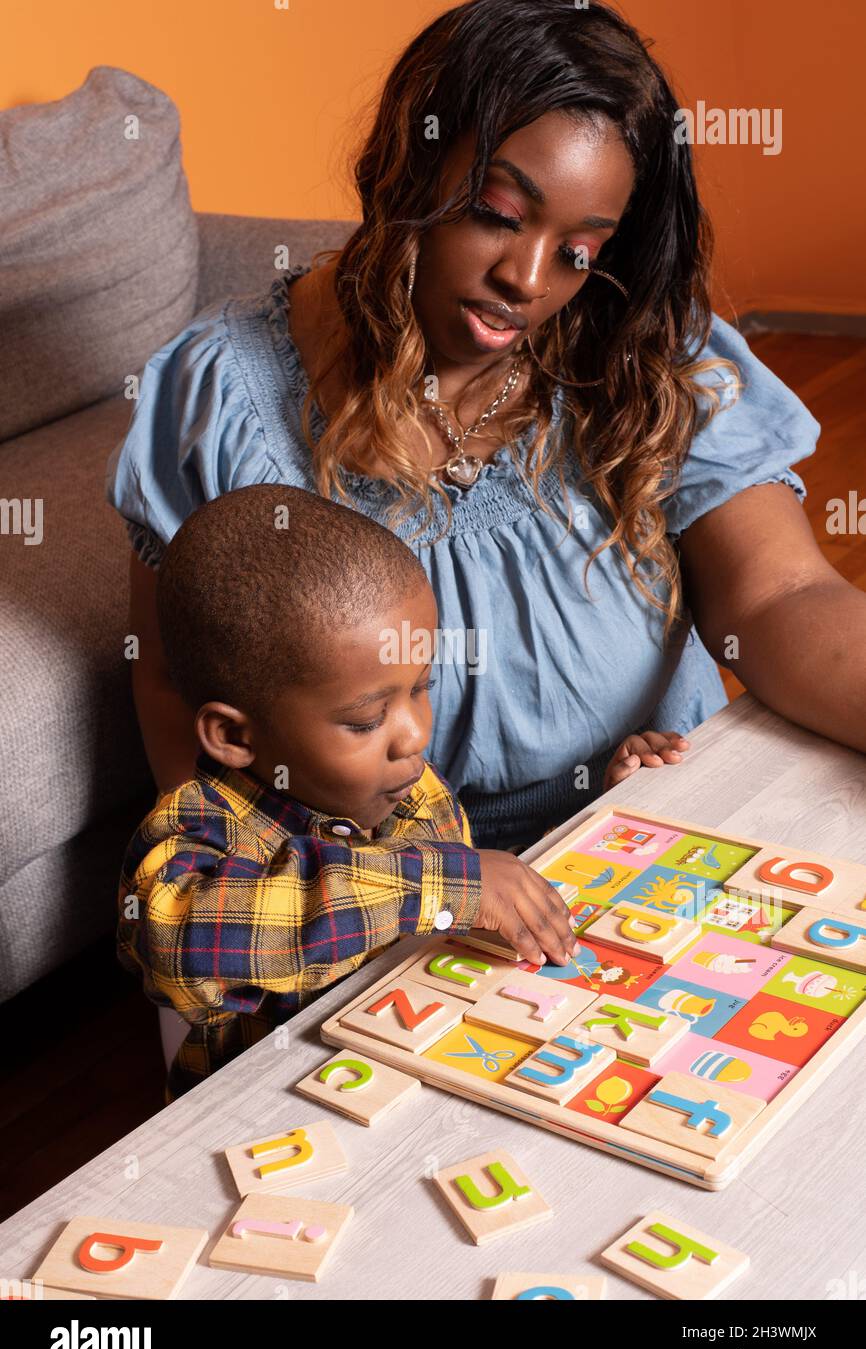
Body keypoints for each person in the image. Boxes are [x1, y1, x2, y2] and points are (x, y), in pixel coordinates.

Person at [107, 0, 865, 856]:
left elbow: (782, 596)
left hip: (643, 821)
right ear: (411, 166)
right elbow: (177, 681)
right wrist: (288, 900)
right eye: (498, 214)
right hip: (379, 885)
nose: (528, 279)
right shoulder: (223, 395)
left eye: (578, 251)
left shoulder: (645, 355)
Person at [119, 485, 579, 1099]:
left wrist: (604, 797)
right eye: (365, 721)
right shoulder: (193, 832)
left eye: (421, 686)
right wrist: (442, 885)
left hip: (425, 1064)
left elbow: (454, 923)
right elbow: (179, 946)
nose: (414, 734)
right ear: (233, 735)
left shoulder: (404, 782)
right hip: (277, 1114)